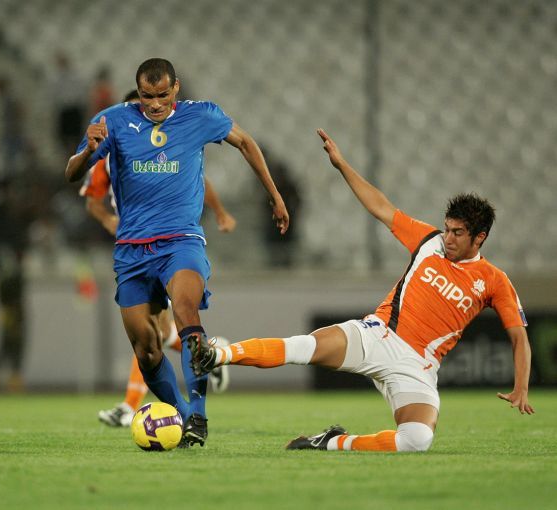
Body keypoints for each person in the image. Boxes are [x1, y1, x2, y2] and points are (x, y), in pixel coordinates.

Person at [190, 128, 534, 452]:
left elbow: (519, 338)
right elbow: (380, 206)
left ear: (480, 237)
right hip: (378, 335)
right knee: (303, 347)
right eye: (447, 229)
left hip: (418, 366)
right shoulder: (429, 241)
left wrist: (521, 386)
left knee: (417, 440)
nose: (449, 238)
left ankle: (330, 442)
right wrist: (342, 165)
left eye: (458, 233)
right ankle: (217, 355)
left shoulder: (494, 280)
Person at [66, 58, 289, 446]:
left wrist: (275, 195)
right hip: (132, 251)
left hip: (181, 242)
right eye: (147, 96)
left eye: (162, 95)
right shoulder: (112, 121)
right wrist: (89, 151)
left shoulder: (200, 115)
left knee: (186, 311)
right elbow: (70, 173)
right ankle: (184, 415)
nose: (155, 104)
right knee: (146, 349)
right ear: (138, 92)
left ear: (176, 88)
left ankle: (198, 417)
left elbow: (246, 142)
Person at [81, 90, 235, 426]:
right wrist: (109, 221)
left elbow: (200, 179)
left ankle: (132, 405)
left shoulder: (167, 146)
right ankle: (214, 354)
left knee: (163, 328)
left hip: (171, 244)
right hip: (134, 247)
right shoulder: (108, 152)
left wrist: (220, 212)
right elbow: (92, 201)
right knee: (153, 336)